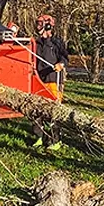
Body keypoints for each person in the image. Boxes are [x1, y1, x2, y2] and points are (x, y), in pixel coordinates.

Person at [31, 15, 69, 150]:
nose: (37, 27)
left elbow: (65, 58)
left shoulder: (57, 43)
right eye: (37, 24)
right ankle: (40, 137)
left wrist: (61, 64)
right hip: (38, 79)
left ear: (48, 26)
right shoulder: (35, 43)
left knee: (53, 111)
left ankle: (56, 140)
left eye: (41, 24)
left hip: (53, 79)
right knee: (36, 110)